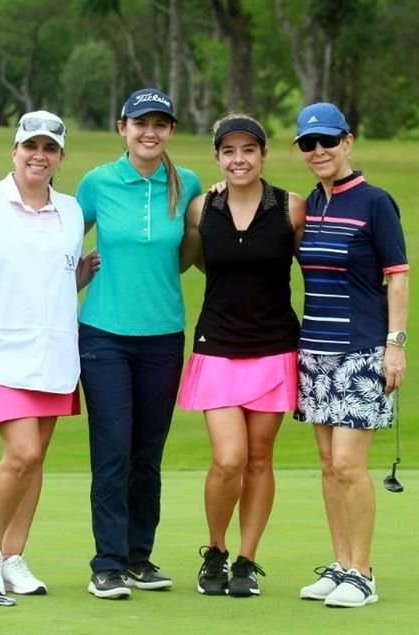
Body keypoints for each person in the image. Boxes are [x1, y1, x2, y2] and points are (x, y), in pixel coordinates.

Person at [0, 110, 98, 597]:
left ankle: (14, 556)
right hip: (1, 350)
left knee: (37, 457)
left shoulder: (70, 211)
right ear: (15, 151)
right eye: (31, 147)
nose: (39, 156)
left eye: (49, 149)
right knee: (22, 452)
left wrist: (80, 278)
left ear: (60, 158)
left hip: (53, 350)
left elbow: (49, 280)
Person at [75, 88, 202, 599]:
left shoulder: (187, 183)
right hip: (104, 332)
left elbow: (191, 250)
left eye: (160, 123)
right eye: (139, 122)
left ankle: (138, 558)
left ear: (170, 131)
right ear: (121, 127)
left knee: (147, 453)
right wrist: (75, 275)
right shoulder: (98, 182)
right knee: (112, 449)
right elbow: (60, 239)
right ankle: (106, 562)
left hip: (163, 335)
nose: (150, 132)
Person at [177, 114, 305, 598]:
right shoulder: (200, 209)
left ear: (263, 155)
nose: (238, 159)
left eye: (248, 150)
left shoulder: (292, 208)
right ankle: (215, 549)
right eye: (228, 151)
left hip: (274, 348)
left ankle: (248, 560)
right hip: (218, 346)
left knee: (258, 458)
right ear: (217, 158)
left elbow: (311, 265)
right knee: (228, 459)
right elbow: (192, 260)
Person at [291, 102, 409, 608]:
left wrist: (395, 346)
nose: (319, 151)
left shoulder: (375, 202)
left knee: (348, 464)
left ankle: (363, 572)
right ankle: (340, 565)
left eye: (328, 141)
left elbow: (397, 275)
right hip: (313, 349)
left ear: (348, 141)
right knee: (326, 463)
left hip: (361, 350)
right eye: (308, 144)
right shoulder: (307, 206)